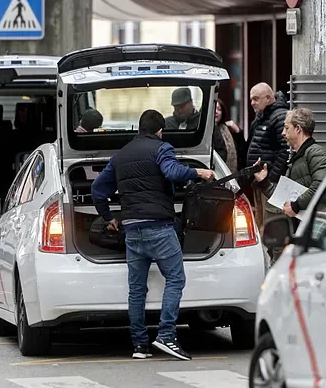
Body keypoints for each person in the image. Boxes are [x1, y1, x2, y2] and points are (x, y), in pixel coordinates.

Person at [91, 109, 215, 361]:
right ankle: (167, 335)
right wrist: (198, 173)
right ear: (160, 131)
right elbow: (172, 172)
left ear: (139, 129)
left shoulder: (120, 156)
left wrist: (108, 218)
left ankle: (139, 346)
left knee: (136, 290)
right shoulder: (162, 148)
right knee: (176, 279)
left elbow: (97, 189)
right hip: (158, 228)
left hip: (132, 230)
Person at [252, 108, 326, 260]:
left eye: (286, 128)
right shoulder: (298, 156)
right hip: (299, 233)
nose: (283, 133)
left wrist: (296, 205)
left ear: (298, 129)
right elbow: (284, 199)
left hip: (312, 234)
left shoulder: (316, 153)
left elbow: (322, 184)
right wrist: (263, 182)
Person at [244, 83, 291, 242]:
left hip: (271, 183)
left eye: (256, 99)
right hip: (260, 181)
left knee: (271, 225)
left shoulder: (279, 116)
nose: (252, 103)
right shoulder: (260, 117)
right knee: (260, 224)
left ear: (269, 98)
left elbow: (285, 151)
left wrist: (271, 178)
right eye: (251, 99)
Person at [213, 98, 242, 173]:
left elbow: (242, 151)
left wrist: (238, 131)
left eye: (219, 109)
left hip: (231, 174)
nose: (216, 112)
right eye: (214, 109)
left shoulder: (228, 129)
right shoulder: (206, 131)